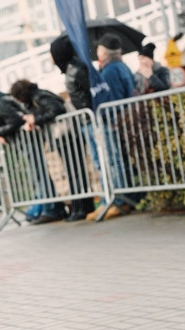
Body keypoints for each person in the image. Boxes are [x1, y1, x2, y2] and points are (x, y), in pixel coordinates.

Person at [93, 33, 142, 219]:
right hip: (125, 119)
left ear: (104, 52)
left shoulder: (110, 71)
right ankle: (128, 197)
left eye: (98, 48)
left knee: (116, 161)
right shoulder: (121, 66)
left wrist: (111, 119)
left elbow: (112, 99)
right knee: (122, 161)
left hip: (116, 122)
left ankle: (122, 199)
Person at [49, 36, 97, 221]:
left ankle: (97, 203)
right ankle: (84, 206)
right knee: (92, 163)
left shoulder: (76, 70)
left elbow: (89, 92)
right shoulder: (70, 71)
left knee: (97, 163)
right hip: (83, 122)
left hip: (88, 120)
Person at [8, 79, 70, 224]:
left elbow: (56, 110)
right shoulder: (36, 97)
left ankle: (68, 208)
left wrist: (35, 120)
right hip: (55, 138)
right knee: (64, 173)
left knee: (68, 173)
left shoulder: (39, 97)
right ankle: (70, 207)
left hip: (62, 136)